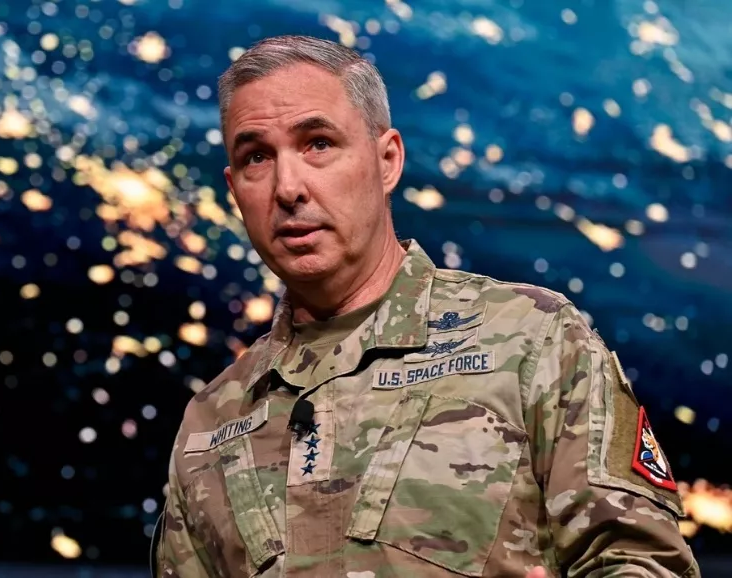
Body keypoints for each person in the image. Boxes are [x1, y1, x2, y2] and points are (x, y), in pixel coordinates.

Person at [152, 34, 700, 578]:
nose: (288, 187)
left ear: (387, 160)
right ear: (234, 189)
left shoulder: (533, 340)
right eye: (256, 157)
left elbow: (644, 564)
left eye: (318, 143)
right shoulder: (209, 423)